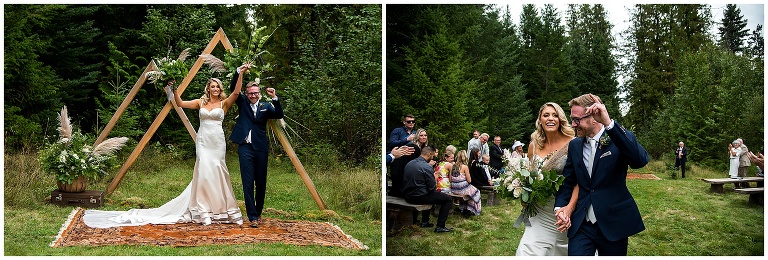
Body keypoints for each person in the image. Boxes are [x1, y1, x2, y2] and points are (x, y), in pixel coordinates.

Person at [82, 63, 252, 228]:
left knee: (217, 170)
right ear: (208, 88)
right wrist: (175, 87)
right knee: (204, 171)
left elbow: (237, 92)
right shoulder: (200, 103)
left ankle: (220, 210)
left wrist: (241, 73)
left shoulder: (224, 104)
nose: (215, 89)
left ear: (220, 89)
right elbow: (180, 103)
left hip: (217, 142)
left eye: (217, 87)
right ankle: (203, 211)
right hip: (203, 141)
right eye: (212, 86)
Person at [554, 94, 649, 256]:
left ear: (593, 118)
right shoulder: (575, 145)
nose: (573, 124)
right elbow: (568, 182)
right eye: (572, 119)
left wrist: (609, 123)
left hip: (613, 223)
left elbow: (639, 161)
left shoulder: (619, 138)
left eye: (577, 120)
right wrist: (560, 208)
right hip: (582, 224)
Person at [515, 102, 579, 256]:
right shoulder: (533, 146)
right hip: (540, 209)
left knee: (562, 249)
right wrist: (525, 194)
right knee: (527, 250)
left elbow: (580, 181)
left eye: (555, 115)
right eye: (546, 115)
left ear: (560, 119)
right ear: (540, 120)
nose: (551, 118)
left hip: (564, 209)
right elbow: (529, 175)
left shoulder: (574, 143)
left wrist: (570, 207)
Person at [228, 66, 285, 228]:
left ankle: (258, 212)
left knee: (260, 182)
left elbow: (279, 114)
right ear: (247, 94)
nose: (253, 95)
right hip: (245, 148)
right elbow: (234, 88)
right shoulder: (242, 102)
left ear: (259, 93)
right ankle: (252, 217)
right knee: (247, 183)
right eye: (250, 93)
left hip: (260, 148)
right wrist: (239, 72)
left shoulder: (266, 106)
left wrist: (275, 98)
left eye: (255, 93)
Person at [401, 145, 454, 233]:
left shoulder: (410, 163)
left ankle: (425, 222)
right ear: (429, 154)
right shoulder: (427, 167)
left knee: (431, 195)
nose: (433, 158)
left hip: (407, 196)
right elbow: (432, 187)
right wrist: (435, 177)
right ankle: (440, 226)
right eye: (433, 156)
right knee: (448, 199)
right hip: (419, 197)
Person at [389, 128, 429, 198]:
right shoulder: (413, 147)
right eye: (421, 135)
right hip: (401, 169)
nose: (424, 137)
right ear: (417, 137)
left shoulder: (424, 148)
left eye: (425, 135)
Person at [450, 150, 481, 217]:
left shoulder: (453, 166)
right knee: (476, 192)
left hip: (454, 188)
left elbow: (450, 179)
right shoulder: (465, 167)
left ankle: (463, 208)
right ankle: (468, 210)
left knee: (470, 192)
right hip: (462, 188)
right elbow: (469, 180)